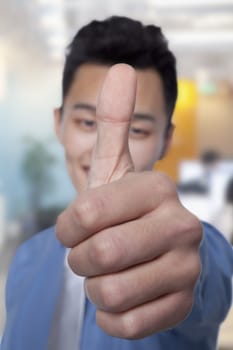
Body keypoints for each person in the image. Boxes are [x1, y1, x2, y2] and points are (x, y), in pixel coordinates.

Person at [1, 16, 233, 350]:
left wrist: (195, 270)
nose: (100, 151)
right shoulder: (27, 257)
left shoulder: (186, 251)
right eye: (85, 122)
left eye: (137, 130)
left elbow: (203, 273)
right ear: (59, 124)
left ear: (166, 140)